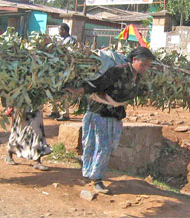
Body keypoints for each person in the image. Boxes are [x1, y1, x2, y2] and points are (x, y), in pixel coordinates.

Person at [65, 47, 156, 194]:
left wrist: (143, 92)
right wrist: (78, 91)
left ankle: (87, 161)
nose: (146, 68)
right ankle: (97, 180)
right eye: (143, 64)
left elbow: (129, 91)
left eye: (148, 65)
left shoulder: (137, 76)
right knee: (103, 147)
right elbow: (97, 84)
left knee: (110, 146)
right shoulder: (118, 71)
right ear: (134, 60)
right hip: (99, 111)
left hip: (115, 113)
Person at [47, 23, 77, 121]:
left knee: (64, 90)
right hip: (58, 69)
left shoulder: (71, 40)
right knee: (53, 89)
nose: (58, 32)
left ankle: (65, 114)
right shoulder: (61, 40)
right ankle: (54, 111)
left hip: (66, 69)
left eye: (60, 30)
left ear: (64, 30)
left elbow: (70, 54)